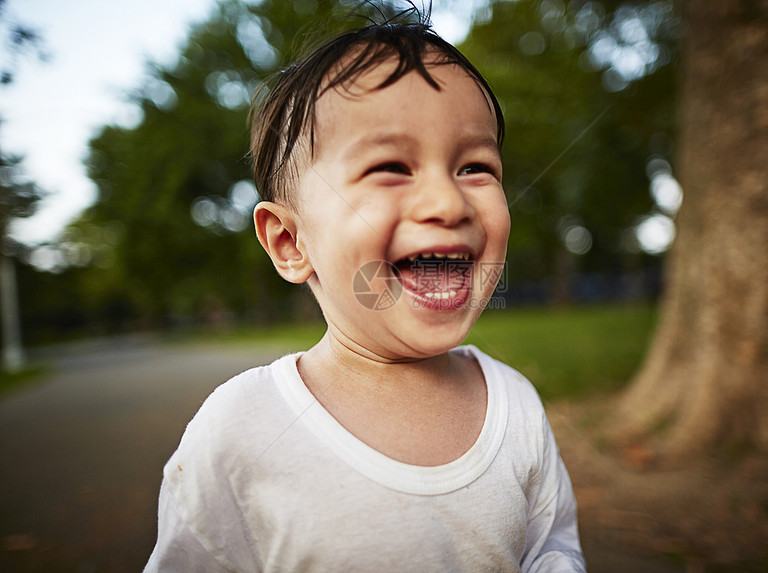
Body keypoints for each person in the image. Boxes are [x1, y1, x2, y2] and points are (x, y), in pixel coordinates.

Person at [144, 10, 586, 573]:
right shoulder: (239, 430)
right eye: (391, 167)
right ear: (289, 242)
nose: (448, 204)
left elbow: (552, 548)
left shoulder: (515, 404)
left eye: (475, 166)